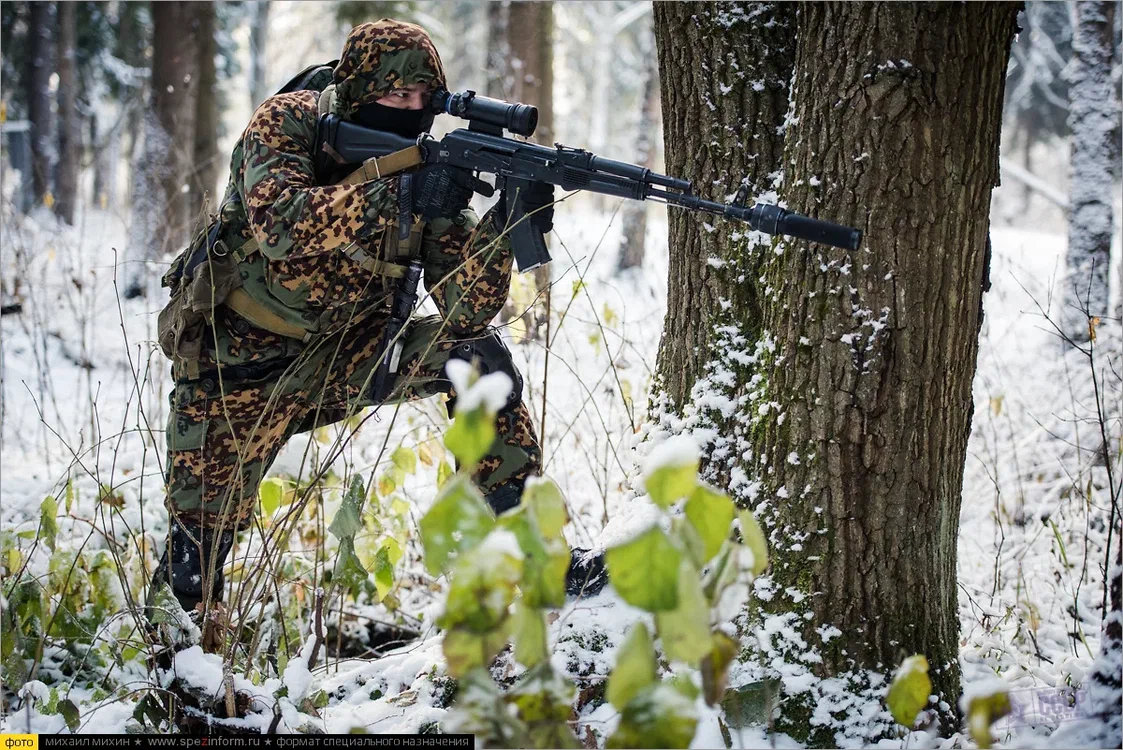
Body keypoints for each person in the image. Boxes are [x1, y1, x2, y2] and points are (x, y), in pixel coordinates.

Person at [152, 19, 607, 621]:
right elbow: (280, 226)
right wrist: (399, 194)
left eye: (425, 99)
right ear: (359, 90)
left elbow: (465, 307)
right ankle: (179, 681)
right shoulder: (290, 122)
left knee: (478, 360)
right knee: (195, 559)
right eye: (396, 96)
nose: (412, 110)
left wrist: (507, 225)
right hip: (237, 365)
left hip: (352, 354)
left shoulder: (429, 167)